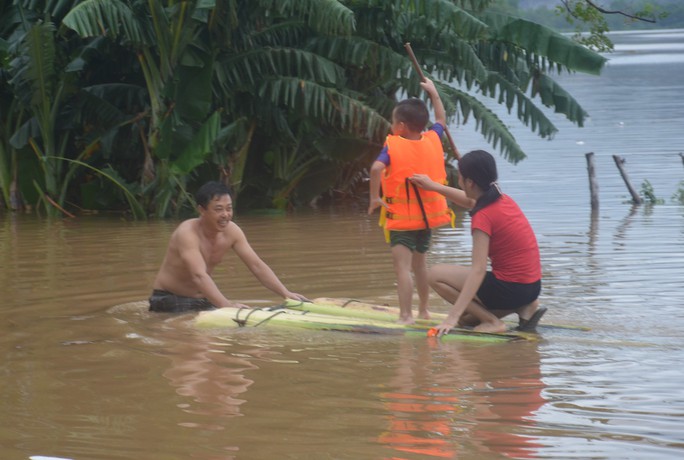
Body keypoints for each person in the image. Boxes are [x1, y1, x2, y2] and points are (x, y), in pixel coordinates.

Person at [410, 150, 546, 334]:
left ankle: (492, 322)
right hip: (531, 288)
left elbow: (478, 270)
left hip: (512, 289)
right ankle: (524, 307)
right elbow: (470, 201)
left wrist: (452, 317)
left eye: (460, 177)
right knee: (468, 321)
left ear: (469, 182)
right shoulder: (503, 200)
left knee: (434, 274)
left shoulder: (483, 217)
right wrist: (434, 187)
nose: (458, 181)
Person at [368, 78, 453, 324]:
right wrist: (435, 94)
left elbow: (375, 170)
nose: (392, 127)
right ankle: (424, 311)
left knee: (402, 270)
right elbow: (441, 120)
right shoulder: (433, 138)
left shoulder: (392, 147)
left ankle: (406, 315)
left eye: (393, 123)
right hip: (427, 220)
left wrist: (374, 198)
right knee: (420, 267)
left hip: (402, 222)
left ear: (402, 126)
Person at [149, 181, 308, 312]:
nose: (225, 214)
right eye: (218, 209)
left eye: (229, 208)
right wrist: (227, 306)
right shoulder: (187, 233)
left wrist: (285, 294)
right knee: (202, 342)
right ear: (201, 210)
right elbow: (198, 275)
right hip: (169, 299)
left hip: (203, 300)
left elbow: (256, 265)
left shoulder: (233, 231)